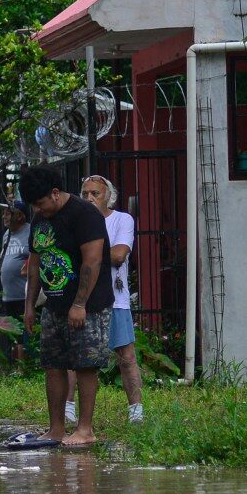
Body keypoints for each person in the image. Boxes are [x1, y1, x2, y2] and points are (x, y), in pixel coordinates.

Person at [16, 165, 112, 449]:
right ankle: (56, 428)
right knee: (53, 365)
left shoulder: (85, 215)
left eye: (41, 203)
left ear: (55, 193)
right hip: (54, 305)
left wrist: (79, 304)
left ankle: (85, 429)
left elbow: (92, 261)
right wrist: (30, 306)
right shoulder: (40, 219)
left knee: (85, 366)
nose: (38, 209)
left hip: (88, 306)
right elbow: (34, 263)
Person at [82, 174, 143, 423]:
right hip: (84, 299)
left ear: (109, 196)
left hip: (116, 300)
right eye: (85, 193)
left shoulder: (122, 220)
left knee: (126, 357)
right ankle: (69, 410)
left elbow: (119, 255)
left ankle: (136, 411)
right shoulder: (79, 222)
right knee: (79, 359)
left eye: (95, 193)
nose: (89, 198)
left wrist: (89, 257)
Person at [0, 199, 32, 362]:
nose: (4, 216)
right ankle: (17, 368)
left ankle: (27, 366)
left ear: (19, 216)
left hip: (25, 294)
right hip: (9, 295)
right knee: (14, 334)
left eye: (8, 213)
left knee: (28, 331)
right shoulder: (7, 234)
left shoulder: (31, 232)